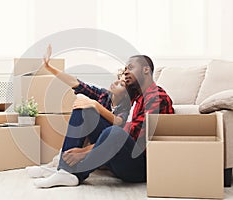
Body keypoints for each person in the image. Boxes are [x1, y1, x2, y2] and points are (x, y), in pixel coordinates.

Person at [32, 54, 174, 188]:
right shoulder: (134, 98)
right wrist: (49, 67)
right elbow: (80, 86)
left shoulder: (156, 96)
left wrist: (85, 151)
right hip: (118, 155)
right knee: (83, 108)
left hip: (140, 166)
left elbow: (136, 138)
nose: (125, 72)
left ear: (146, 69)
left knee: (113, 131)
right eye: (124, 69)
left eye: (130, 67)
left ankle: (76, 174)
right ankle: (64, 170)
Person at [26, 45, 131, 178]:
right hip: (93, 143)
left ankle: (61, 168)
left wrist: (94, 105)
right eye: (118, 79)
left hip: (106, 148)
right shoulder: (103, 95)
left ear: (126, 94)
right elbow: (76, 83)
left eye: (121, 84)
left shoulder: (126, 107)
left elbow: (119, 124)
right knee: (81, 103)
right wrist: (49, 67)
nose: (116, 82)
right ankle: (61, 168)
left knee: (88, 106)